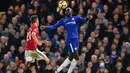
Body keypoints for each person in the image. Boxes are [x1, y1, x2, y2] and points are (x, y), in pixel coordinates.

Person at [41, 7, 92, 73]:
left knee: (71, 57)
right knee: (76, 57)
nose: (68, 13)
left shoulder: (76, 18)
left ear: (71, 12)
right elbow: (54, 26)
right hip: (70, 40)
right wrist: (46, 27)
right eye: (66, 12)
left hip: (76, 40)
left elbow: (84, 19)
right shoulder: (63, 20)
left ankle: (57, 70)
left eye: (69, 12)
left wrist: (88, 18)